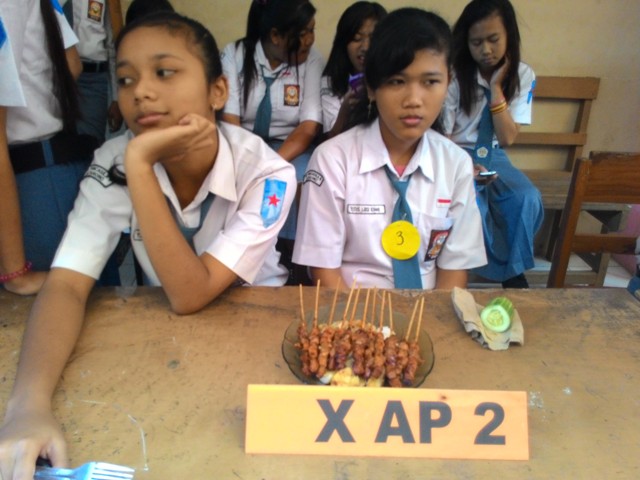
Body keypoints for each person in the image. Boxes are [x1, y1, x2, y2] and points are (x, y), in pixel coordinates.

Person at [0, 12, 295, 478]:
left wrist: (140, 164)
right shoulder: (114, 159)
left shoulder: (268, 174)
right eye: (125, 79)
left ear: (218, 91)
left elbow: (191, 293)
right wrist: (27, 406)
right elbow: (68, 284)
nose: (140, 91)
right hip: (166, 335)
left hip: (256, 329)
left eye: (164, 71)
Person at [292, 7, 487, 290]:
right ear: (371, 87)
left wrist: (432, 317)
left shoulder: (456, 164)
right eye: (397, 81)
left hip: (428, 308)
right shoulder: (332, 161)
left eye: (430, 82)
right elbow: (325, 272)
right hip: (350, 308)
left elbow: (454, 272)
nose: (414, 100)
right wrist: (358, 320)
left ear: (448, 82)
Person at [441, 0, 543, 288]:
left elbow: (508, 138)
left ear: (509, 34)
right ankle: (464, 270)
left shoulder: (522, 74)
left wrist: (496, 88)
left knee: (526, 197)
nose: (486, 50)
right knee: (471, 199)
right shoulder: (452, 74)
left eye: (493, 39)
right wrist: (464, 167)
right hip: (454, 152)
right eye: (476, 43)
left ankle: (513, 274)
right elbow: (442, 138)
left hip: (494, 154)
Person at [221, 0, 322, 283]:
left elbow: (309, 126)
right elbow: (230, 120)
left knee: (296, 180)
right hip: (242, 144)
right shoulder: (235, 54)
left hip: (291, 146)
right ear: (276, 35)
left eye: (312, 30)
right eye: (303, 32)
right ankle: (246, 259)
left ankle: (291, 261)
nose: (310, 40)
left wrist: (269, 166)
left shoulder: (312, 60)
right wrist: (250, 162)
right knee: (232, 181)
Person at [0, 0, 95, 289]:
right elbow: (72, 63)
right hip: (48, 174)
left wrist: (15, 272)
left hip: (25, 188)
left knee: (54, 307)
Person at [320, 1, 386, 139]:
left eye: (373, 38)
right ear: (343, 43)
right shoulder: (331, 80)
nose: (365, 47)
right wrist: (345, 110)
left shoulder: (395, 78)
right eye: (357, 38)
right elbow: (331, 139)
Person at [61, 0, 124, 143]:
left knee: (91, 142)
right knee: (58, 140)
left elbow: (112, 44)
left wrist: (116, 97)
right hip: (56, 76)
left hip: (92, 79)